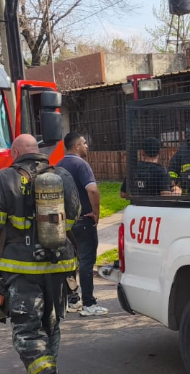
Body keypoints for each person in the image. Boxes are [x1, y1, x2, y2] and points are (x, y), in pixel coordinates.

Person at [0, 134, 81, 374]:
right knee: (52, 321)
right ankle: (50, 371)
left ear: (14, 153)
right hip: (60, 264)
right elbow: (75, 214)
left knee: (26, 328)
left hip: (21, 268)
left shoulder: (3, 179)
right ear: (39, 152)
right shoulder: (63, 176)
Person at [58, 132, 109, 316]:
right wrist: (95, 213)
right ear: (77, 146)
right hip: (83, 221)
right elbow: (92, 190)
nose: (87, 146)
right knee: (87, 262)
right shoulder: (81, 164)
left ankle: (72, 300)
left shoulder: (59, 165)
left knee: (69, 262)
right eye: (84, 143)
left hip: (65, 224)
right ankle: (89, 303)